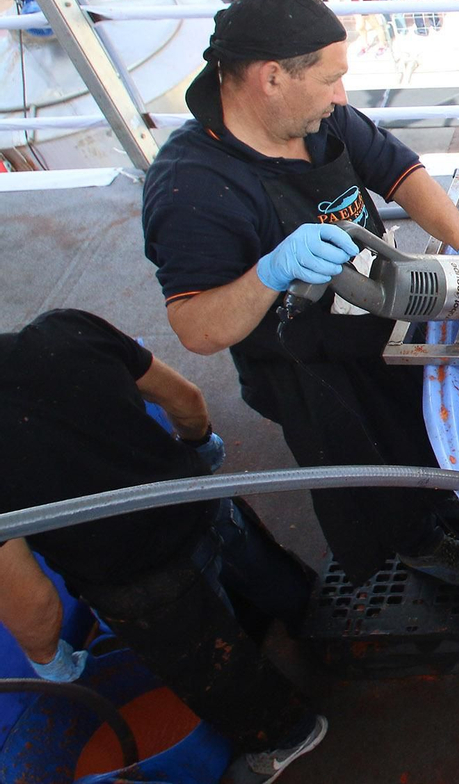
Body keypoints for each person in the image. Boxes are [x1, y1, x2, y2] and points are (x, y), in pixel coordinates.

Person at [140, 0, 459, 590]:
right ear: (272, 77)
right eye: (329, 80)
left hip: (376, 314)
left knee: (416, 426)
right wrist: (271, 271)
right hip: (303, 363)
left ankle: (447, 504)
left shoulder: (322, 122)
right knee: (367, 467)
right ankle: (417, 544)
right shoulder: (189, 190)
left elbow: (401, 172)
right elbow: (197, 329)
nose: (341, 95)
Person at [0, 309, 328, 784]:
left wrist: (49, 659)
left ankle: (289, 737)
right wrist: (199, 446)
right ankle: (312, 626)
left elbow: (34, 603)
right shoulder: (66, 330)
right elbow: (184, 398)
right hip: (199, 503)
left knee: (218, 674)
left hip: (142, 582)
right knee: (265, 577)